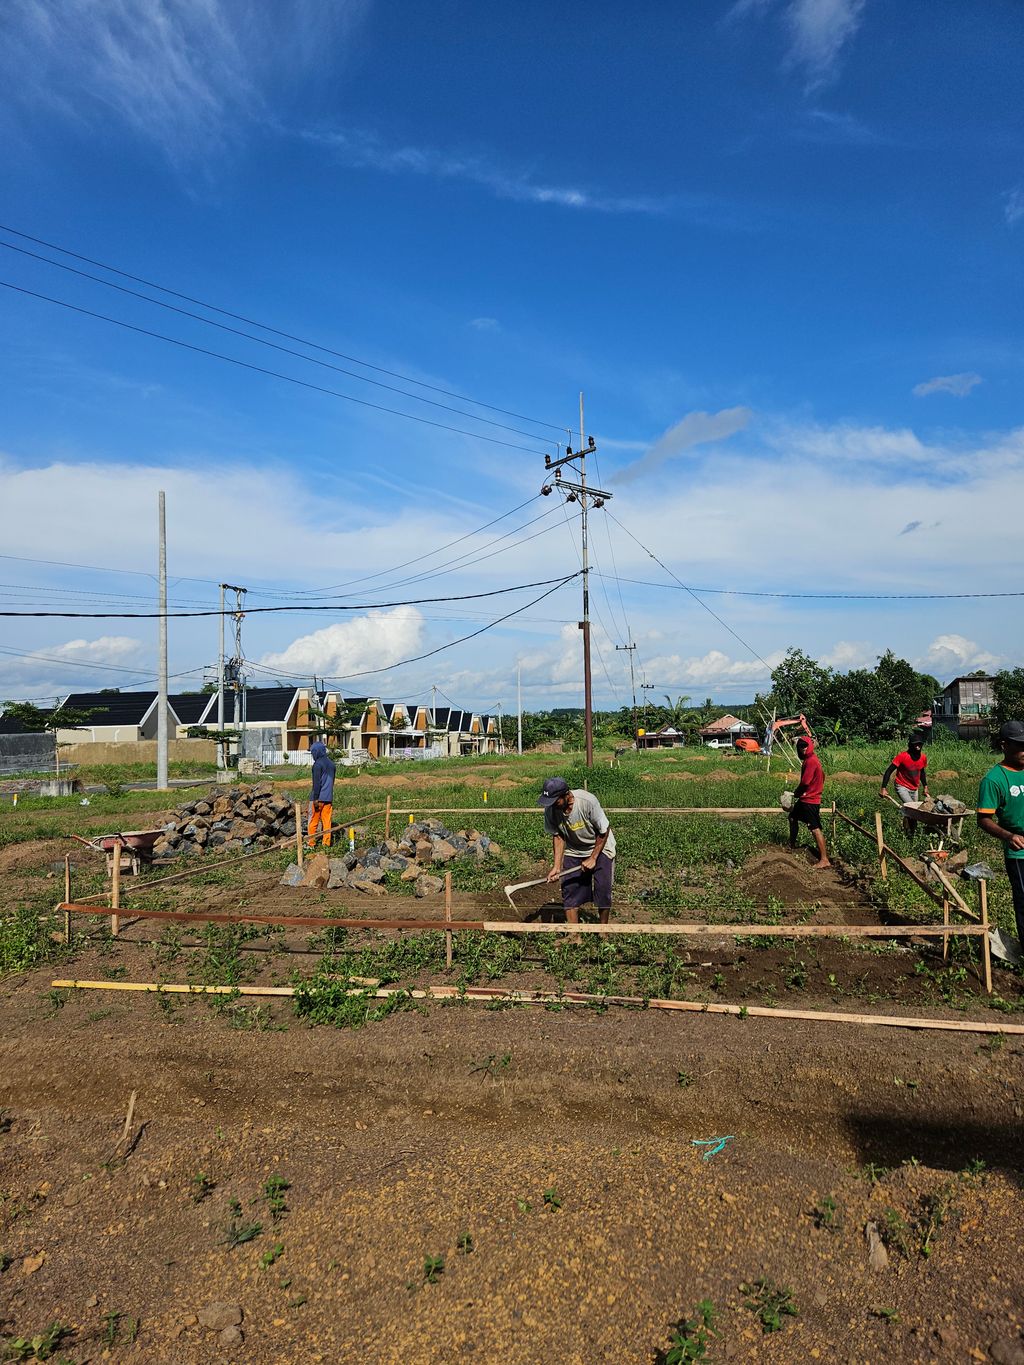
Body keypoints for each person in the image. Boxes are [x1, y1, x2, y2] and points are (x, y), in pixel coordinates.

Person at [537, 776, 616, 923]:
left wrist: (593, 858)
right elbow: (558, 836)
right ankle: (574, 933)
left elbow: (603, 830)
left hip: (601, 846)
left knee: (603, 890)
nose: (552, 805)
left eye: (555, 801)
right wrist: (556, 866)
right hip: (575, 849)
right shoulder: (551, 809)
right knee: (570, 890)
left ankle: (603, 930)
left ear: (566, 795)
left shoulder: (587, 802)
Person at [977, 720, 1024, 947]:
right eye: (1019, 745)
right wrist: (1008, 836)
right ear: (1004, 745)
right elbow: (983, 819)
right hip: (1019, 850)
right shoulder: (993, 780)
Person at [789, 736, 830, 869]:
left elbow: (805, 782)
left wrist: (796, 793)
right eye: (801, 746)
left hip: (810, 800)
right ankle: (791, 845)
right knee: (792, 817)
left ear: (810, 746)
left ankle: (824, 859)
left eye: (805, 746)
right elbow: (822, 776)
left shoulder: (811, 761)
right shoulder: (811, 759)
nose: (803, 748)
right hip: (806, 798)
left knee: (815, 828)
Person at [881, 731, 930, 835]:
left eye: (919, 744)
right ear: (910, 745)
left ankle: (911, 832)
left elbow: (922, 772)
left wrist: (925, 786)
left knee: (914, 812)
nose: (918, 746)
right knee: (912, 809)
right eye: (915, 744)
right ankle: (908, 833)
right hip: (902, 786)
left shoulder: (923, 757)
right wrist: (883, 788)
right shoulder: (902, 756)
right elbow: (889, 771)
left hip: (914, 788)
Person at [306, 739, 336, 849]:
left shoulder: (317, 765)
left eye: (313, 752)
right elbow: (332, 782)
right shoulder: (332, 764)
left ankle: (311, 844)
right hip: (328, 798)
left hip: (318, 798)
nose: (312, 755)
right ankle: (326, 844)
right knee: (327, 822)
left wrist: (315, 798)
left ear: (317, 752)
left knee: (313, 821)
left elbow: (316, 784)